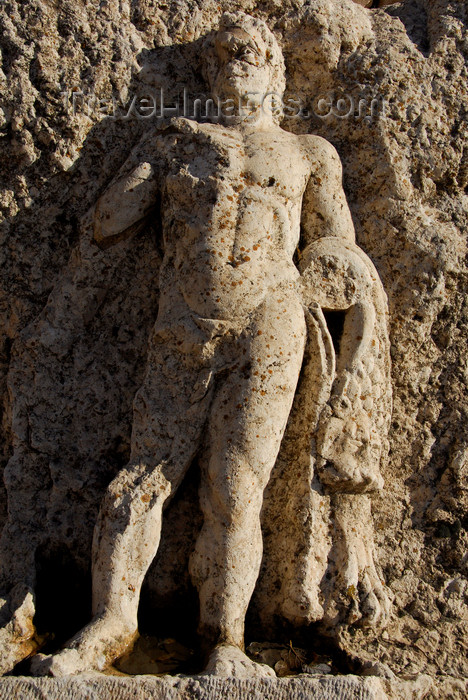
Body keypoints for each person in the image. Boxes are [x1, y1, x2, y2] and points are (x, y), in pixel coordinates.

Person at [32, 12, 390, 677]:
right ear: (208, 75)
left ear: (276, 72)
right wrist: (153, 160)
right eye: (224, 58)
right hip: (182, 323)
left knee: (236, 487)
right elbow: (106, 227)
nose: (238, 66)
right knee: (141, 478)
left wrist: (353, 326)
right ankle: (111, 621)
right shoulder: (175, 143)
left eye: (251, 55)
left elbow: (340, 253)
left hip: (270, 325)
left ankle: (224, 639)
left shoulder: (309, 154)